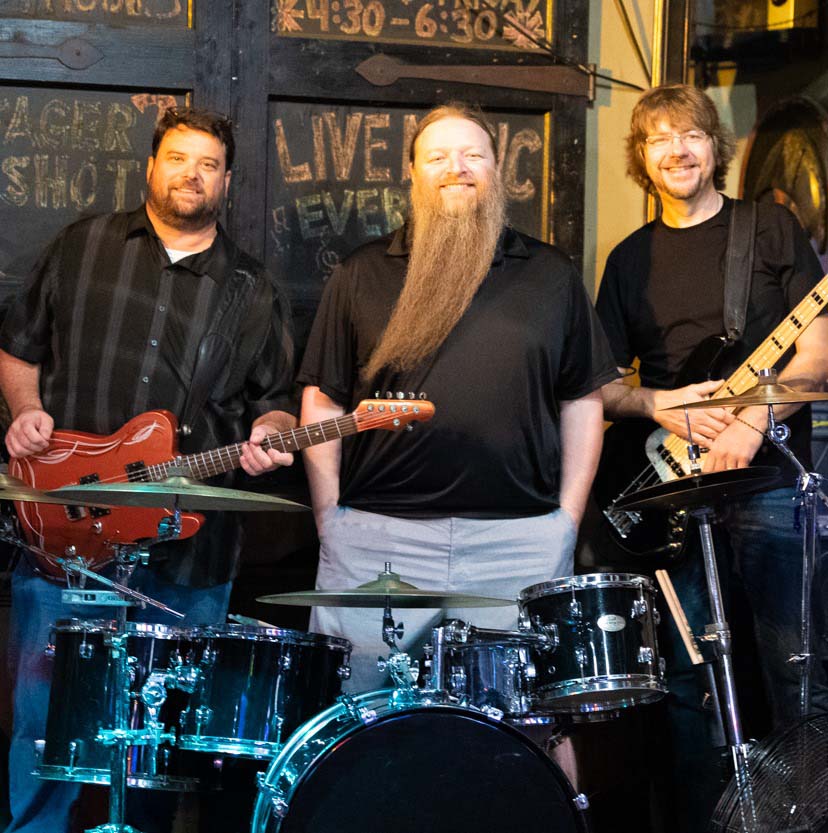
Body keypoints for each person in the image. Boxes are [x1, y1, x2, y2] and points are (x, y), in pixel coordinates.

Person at [0, 107, 296, 833]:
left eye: (207, 164)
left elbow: (280, 406)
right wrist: (25, 410)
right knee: (46, 726)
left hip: (189, 554)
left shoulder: (253, 287)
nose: (190, 174)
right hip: (66, 540)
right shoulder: (82, 246)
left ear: (227, 181)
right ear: (150, 167)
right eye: (177, 157)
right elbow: (17, 350)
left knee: (166, 742)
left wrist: (271, 432)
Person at [297, 102, 619, 692]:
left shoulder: (550, 274)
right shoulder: (362, 273)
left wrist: (565, 523)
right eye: (438, 156)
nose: (458, 168)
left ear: (497, 171)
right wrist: (331, 520)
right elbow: (325, 400)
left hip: (517, 544)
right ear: (413, 174)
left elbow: (582, 402)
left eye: (474, 155)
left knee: (517, 731)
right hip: (378, 541)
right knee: (363, 725)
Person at [594, 83, 828, 832]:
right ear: (642, 158)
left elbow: (818, 353)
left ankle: (800, 817)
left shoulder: (769, 230)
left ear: (714, 147)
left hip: (768, 487)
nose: (677, 150)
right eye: (658, 139)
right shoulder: (628, 260)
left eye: (691, 134)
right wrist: (654, 403)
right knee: (693, 682)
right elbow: (600, 390)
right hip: (670, 501)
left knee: (794, 670)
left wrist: (753, 423)